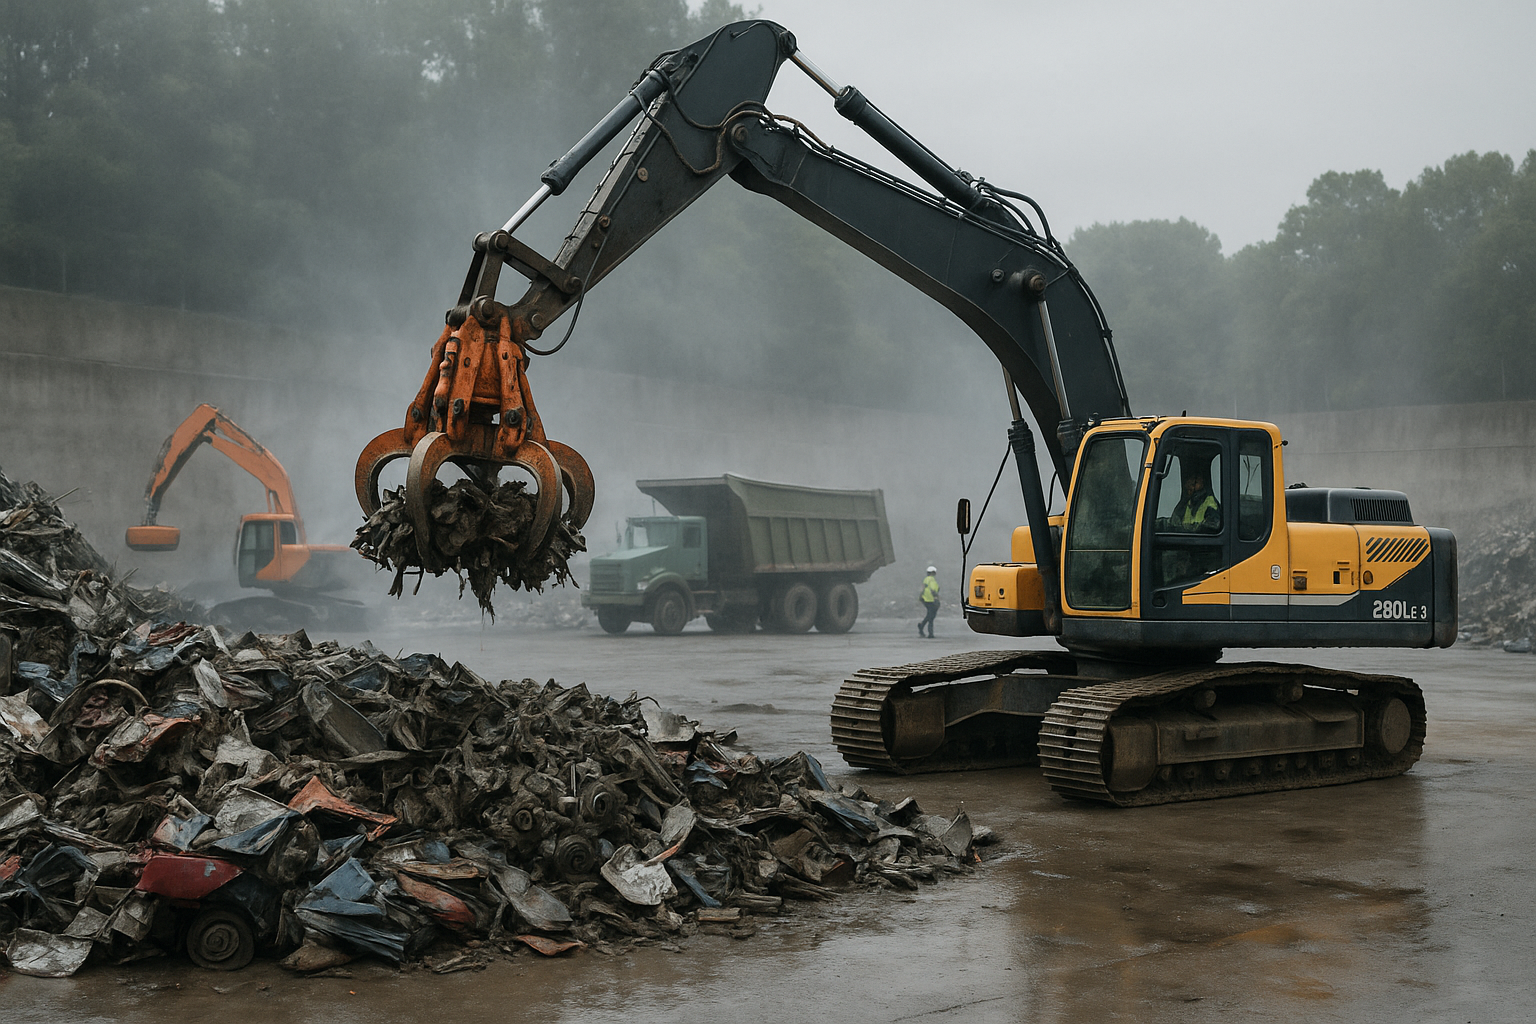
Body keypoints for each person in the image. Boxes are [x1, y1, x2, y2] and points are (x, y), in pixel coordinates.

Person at [919, 565, 940, 637]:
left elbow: (922, 589)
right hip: (931, 600)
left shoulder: (926, 579)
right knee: (931, 616)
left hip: (925, 599)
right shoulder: (932, 580)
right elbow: (933, 590)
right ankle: (930, 633)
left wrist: (920, 597)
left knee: (929, 615)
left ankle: (921, 626)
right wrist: (936, 597)